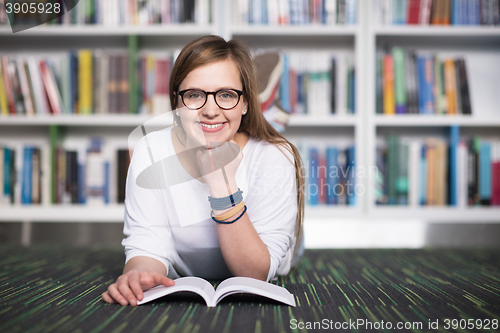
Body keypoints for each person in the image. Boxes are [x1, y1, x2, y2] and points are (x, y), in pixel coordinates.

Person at [102, 35, 305, 306]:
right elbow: (147, 245)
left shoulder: (275, 156)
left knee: (277, 155)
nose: (210, 110)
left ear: (245, 102)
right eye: (195, 95)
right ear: (176, 101)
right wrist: (137, 275)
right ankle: (258, 99)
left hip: (277, 250)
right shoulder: (150, 150)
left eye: (226, 95)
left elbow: (255, 274)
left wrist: (222, 182)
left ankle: (265, 105)